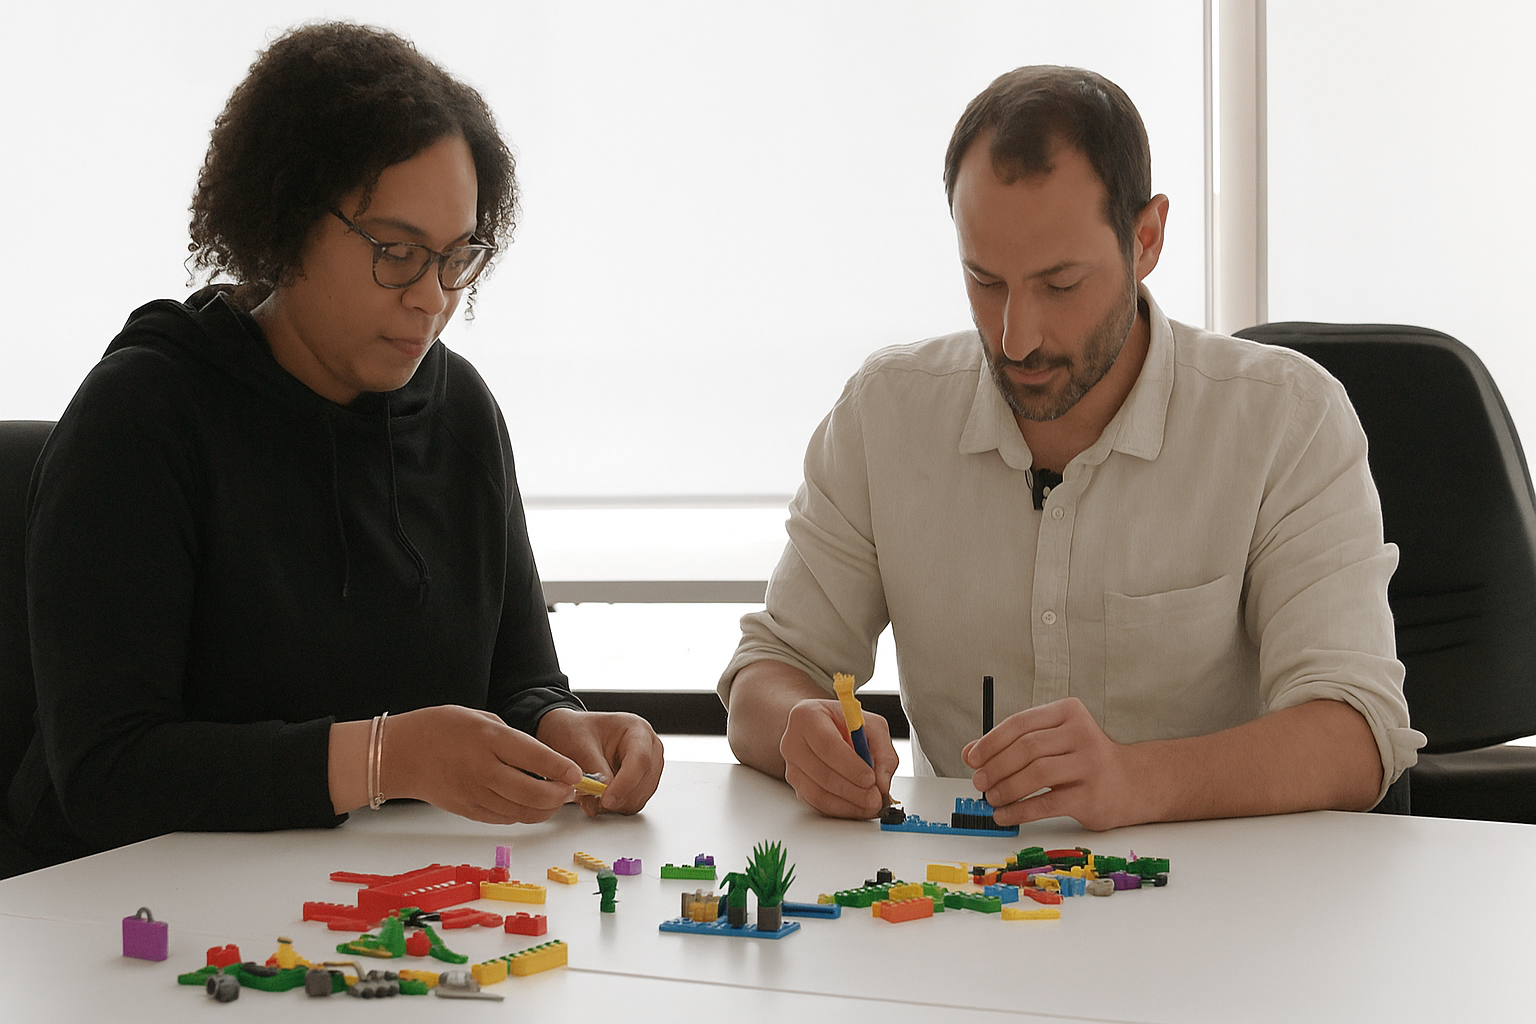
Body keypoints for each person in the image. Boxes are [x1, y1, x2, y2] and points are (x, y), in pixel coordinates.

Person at [3, 23, 662, 878]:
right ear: (287, 225)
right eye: (397, 252)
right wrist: (386, 759)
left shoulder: (460, 412)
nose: (432, 298)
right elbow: (106, 773)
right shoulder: (144, 413)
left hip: (365, 902)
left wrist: (561, 727)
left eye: (456, 257)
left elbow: (518, 682)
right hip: (124, 906)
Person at [719, 66, 1423, 830]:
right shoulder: (885, 413)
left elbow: (1357, 735)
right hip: (964, 890)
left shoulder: (1287, 419)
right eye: (985, 281)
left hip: (1223, 892)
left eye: (1060, 285)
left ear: (1146, 238)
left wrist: (1140, 780)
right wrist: (800, 731)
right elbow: (768, 672)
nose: (1016, 337)